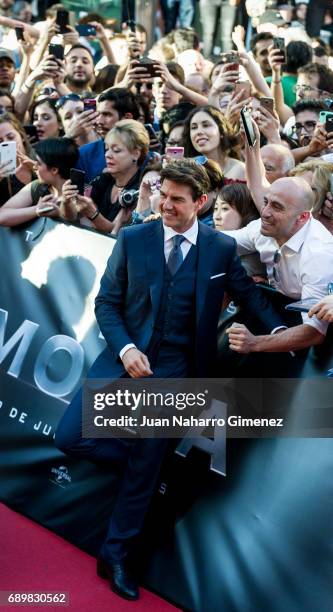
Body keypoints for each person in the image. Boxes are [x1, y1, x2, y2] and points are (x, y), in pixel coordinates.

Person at [54, 157, 285, 602]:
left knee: (144, 465)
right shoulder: (134, 237)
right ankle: (145, 466)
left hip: (178, 373)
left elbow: (251, 299)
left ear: (201, 202)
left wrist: (284, 333)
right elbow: (106, 303)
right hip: (125, 363)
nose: (166, 206)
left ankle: (116, 555)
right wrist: (126, 348)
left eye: (177, 200)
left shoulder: (218, 249)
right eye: (163, 196)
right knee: (72, 437)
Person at [224, 176, 333, 355]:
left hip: (316, 341)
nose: (265, 212)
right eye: (266, 202)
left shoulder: (319, 255)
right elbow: (221, 244)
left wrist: (254, 343)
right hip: (277, 305)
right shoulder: (265, 226)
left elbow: (314, 332)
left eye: (277, 207)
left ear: (303, 217)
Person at [61, 119, 149, 235]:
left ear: (136, 154)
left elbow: (117, 233)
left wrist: (93, 214)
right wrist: (66, 202)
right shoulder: (104, 178)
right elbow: (73, 217)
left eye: (116, 150)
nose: (107, 155)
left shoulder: (142, 189)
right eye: (107, 149)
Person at [0, 137, 78, 226]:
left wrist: (60, 212)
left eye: (39, 163)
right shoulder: (36, 186)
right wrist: (37, 209)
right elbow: (2, 216)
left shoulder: (80, 193)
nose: (34, 166)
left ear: (54, 170)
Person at [76, 88, 141, 183]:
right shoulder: (85, 155)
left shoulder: (149, 158)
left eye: (107, 115)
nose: (99, 121)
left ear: (127, 118)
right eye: (98, 114)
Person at [183, 105, 245, 179]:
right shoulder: (187, 168)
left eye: (206, 125)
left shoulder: (239, 169)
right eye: (194, 128)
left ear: (221, 131)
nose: (198, 132)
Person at [0, 112, 35, 205]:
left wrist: (36, 170)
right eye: (0, 141)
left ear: (22, 136)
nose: (5, 143)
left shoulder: (41, 157)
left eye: (11, 137)